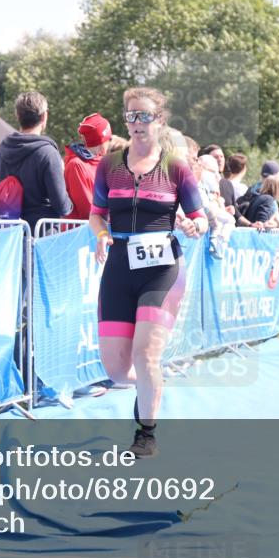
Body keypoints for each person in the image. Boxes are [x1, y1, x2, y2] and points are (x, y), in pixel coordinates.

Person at [89, 87, 206, 458]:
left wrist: (194, 226)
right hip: (119, 266)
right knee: (116, 369)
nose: (137, 123)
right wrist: (102, 235)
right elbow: (96, 215)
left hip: (162, 270)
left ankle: (146, 433)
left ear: (160, 120)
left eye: (144, 116)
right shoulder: (109, 165)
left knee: (145, 354)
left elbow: (201, 217)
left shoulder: (176, 167)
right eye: (131, 116)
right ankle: (151, 385)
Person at [0, 91, 72, 231]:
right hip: (43, 235)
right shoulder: (48, 153)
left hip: (11, 234)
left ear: (17, 115)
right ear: (44, 116)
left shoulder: (1, 152)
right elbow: (62, 206)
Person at [64, 112, 111, 221]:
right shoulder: (76, 165)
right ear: (102, 141)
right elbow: (87, 210)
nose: (110, 142)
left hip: (101, 227)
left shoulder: (103, 163)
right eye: (109, 139)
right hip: (82, 230)